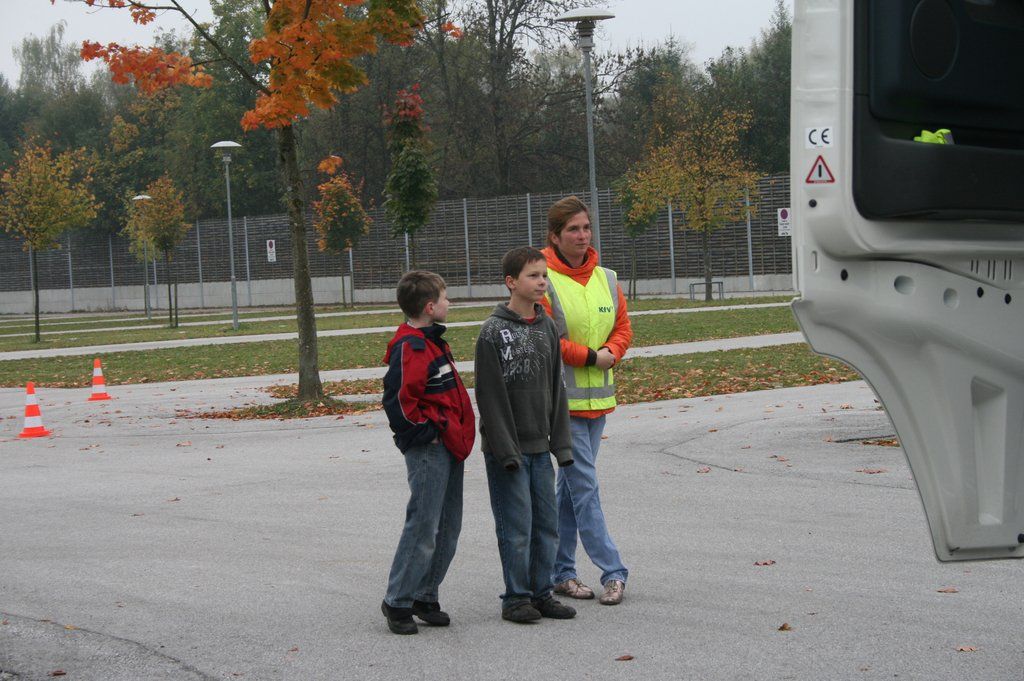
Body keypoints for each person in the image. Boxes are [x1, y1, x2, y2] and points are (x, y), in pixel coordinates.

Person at [475, 246, 577, 623]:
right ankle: (516, 598)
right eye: (533, 276)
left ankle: (541, 592)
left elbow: (557, 388)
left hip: (540, 447)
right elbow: (490, 398)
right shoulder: (492, 332)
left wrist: (561, 444)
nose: (542, 282)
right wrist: (506, 451)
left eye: (544, 275)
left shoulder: (547, 327)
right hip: (509, 452)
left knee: (546, 525)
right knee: (517, 527)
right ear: (511, 282)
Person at [540, 196, 633, 606]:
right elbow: (549, 340)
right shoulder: (543, 279)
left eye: (586, 228)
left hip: (599, 405)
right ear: (555, 236)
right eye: (573, 229)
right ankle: (613, 570)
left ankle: (560, 572)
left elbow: (623, 326)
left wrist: (613, 349)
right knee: (585, 488)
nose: (582, 236)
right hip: (563, 406)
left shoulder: (606, 277)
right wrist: (593, 357)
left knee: (569, 492)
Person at [380, 270, 476, 635]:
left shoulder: (433, 342)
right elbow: (398, 401)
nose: (450, 303)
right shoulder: (412, 347)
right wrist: (427, 433)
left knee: (448, 527)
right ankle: (398, 601)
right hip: (430, 449)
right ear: (430, 307)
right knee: (423, 526)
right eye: (446, 297)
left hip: (450, 444)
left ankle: (424, 594)